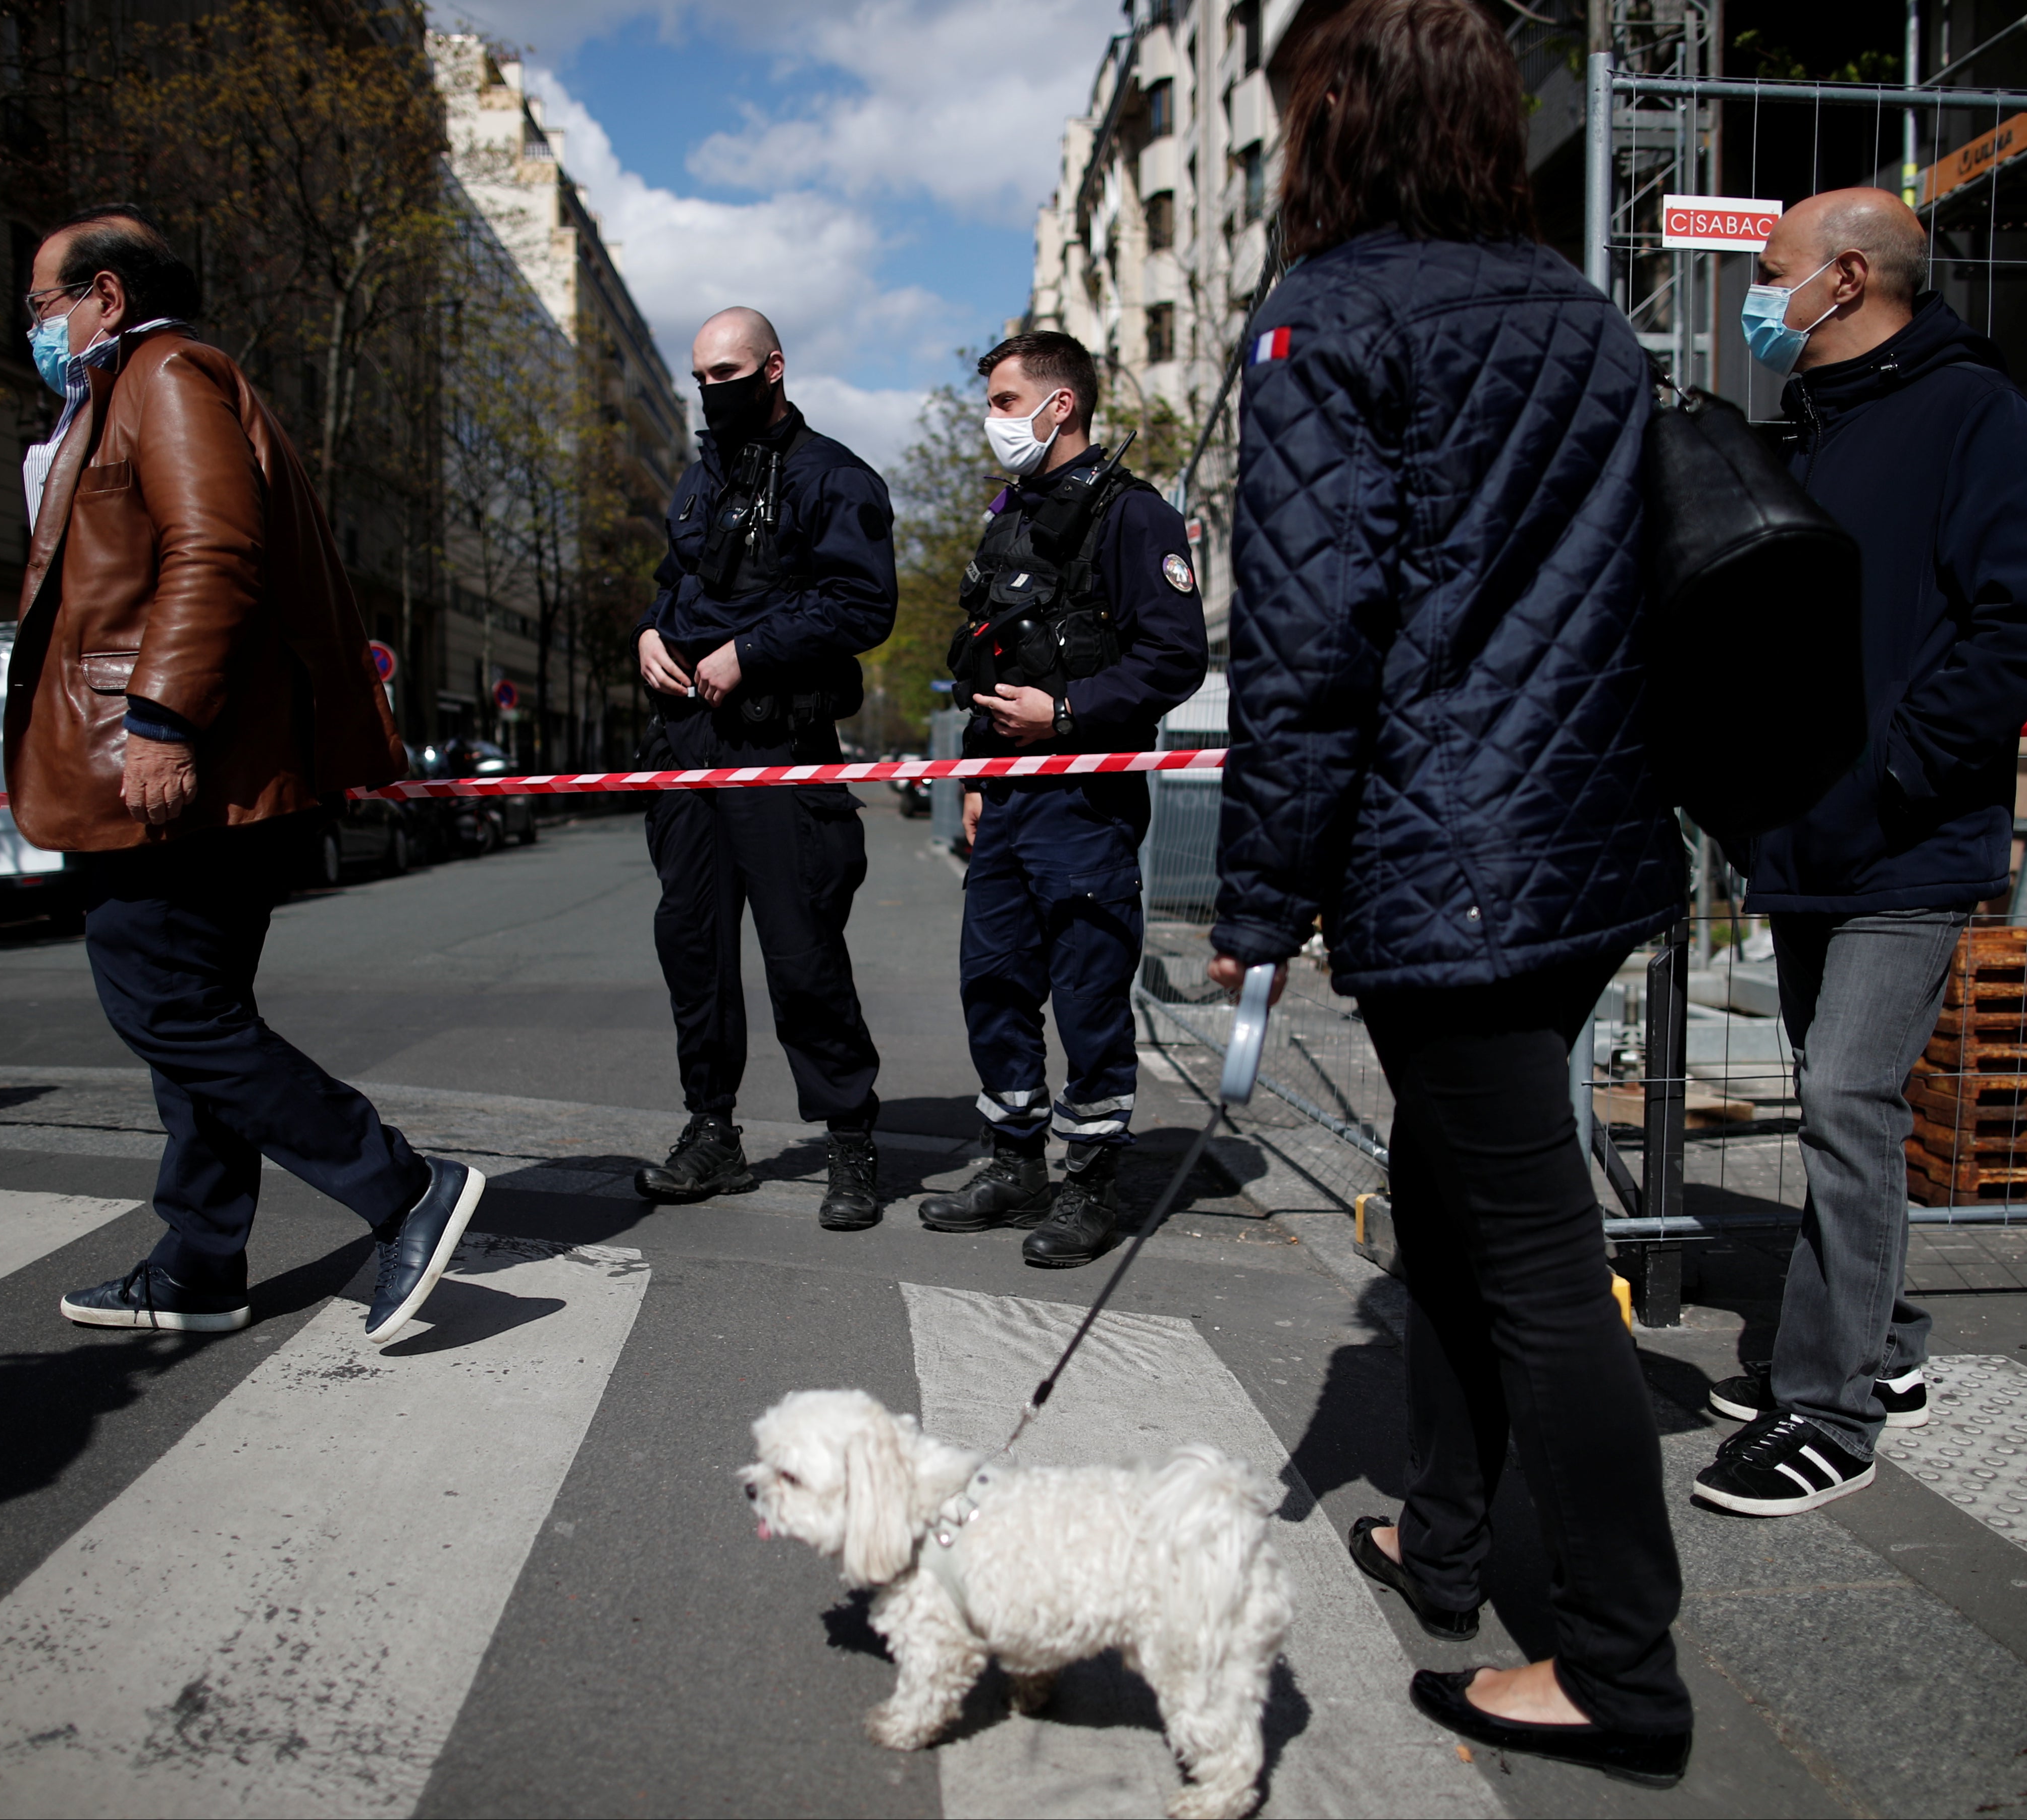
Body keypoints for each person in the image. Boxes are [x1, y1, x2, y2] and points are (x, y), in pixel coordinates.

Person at [1209, 0, 1693, 1785]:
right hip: (1580, 838)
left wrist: (1259, 893)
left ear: (1339, 118)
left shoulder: (1325, 316)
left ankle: (1621, 1670)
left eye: (1282, 120)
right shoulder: (1578, 310)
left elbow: (1307, 638)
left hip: (1449, 855)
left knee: (1540, 1255)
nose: (1273, 155)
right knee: (1449, 1192)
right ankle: (1448, 1535)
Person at [9, 206, 482, 1343]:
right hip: (207, 762)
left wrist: (161, 720)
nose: (34, 326)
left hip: (180, 767)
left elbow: (215, 548)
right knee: (199, 1018)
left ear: (106, 296)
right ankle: (202, 1260)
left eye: (43, 305)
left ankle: (402, 1188)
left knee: (167, 1008)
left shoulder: (164, 376)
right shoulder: (139, 387)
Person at [1696, 189, 2027, 1516]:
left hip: (1909, 841)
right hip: (1804, 837)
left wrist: (1905, 764)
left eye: (1771, 272)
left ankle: (1829, 1405)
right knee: (1836, 1090)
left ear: (1847, 276)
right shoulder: (1808, 427)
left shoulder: (1971, 414)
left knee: (1846, 1096)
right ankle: (1891, 1339)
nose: (1757, 295)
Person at [916, 332, 1205, 1264]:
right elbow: (989, 653)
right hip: (1006, 798)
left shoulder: (1134, 518)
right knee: (993, 984)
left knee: (1086, 995)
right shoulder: (1010, 517)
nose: (991, 420)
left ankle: (1091, 1182)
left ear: (1061, 406)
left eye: (1005, 401)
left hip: (1084, 798)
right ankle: (1014, 1161)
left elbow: (1174, 657)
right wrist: (972, 771)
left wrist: (1068, 711)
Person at [632, 307, 896, 1228]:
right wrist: (648, 633)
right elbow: (676, 581)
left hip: (778, 746)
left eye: (728, 373)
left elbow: (863, 606)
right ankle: (713, 1133)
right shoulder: (700, 477)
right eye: (700, 376)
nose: (712, 391)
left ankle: (850, 1140)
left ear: (773, 368)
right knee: (693, 949)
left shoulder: (834, 477)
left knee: (802, 950)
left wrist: (753, 651)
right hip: (688, 747)